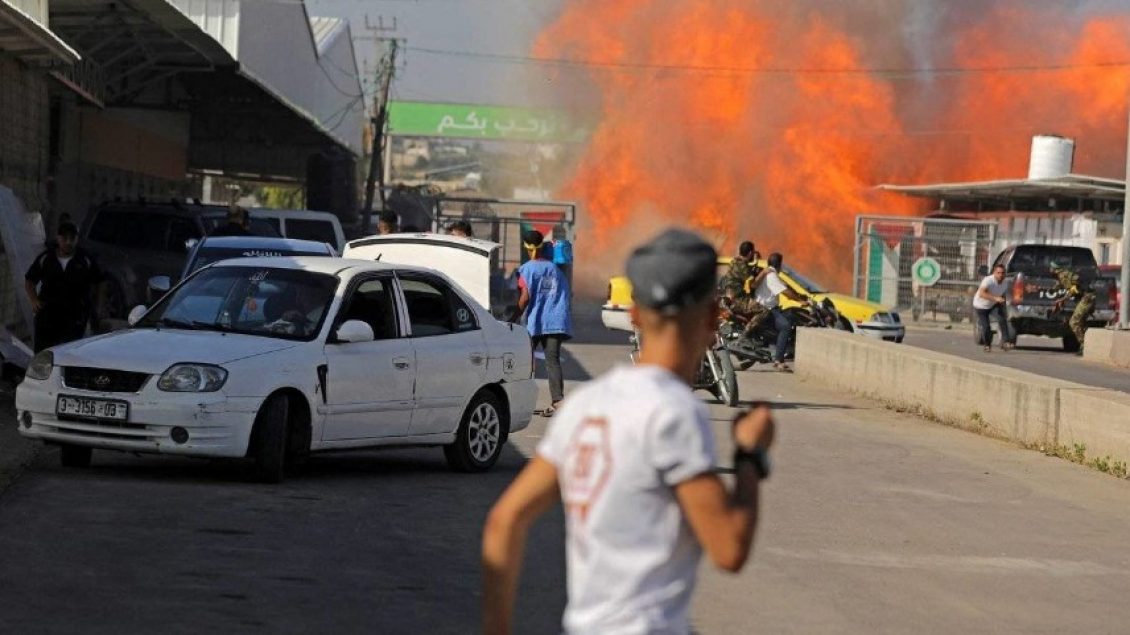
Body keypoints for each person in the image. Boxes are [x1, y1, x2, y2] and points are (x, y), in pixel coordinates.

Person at [482, 229, 775, 635]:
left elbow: (504, 521)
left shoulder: (584, 407)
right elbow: (728, 549)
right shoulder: (675, 413)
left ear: (635, 314)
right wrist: (750, 455)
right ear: (711, 318)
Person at [510, 229, 572, 415]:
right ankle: (558, 401)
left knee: (525, 361)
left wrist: (512, 318)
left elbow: (524, 298)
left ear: (527, 248)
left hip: (536, 322)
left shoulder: (526, 269)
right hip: (556, 320)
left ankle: (520, 403)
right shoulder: (555, 269)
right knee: (552, 361)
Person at [25, 222, 104, 352]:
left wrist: (98, 306)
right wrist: (34, 300)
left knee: (70, 352)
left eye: (72, 238)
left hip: (75, 315)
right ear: (58, 238)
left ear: (76, 239)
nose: (68, 242)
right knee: (44, 352)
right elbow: (29, 280)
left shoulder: (85, 259)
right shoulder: (46, 258)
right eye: (64, 238)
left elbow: (100, 281)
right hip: (47, 314)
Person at [754, 252, 808, 372]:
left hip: (768, 308)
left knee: (789, 315)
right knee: (785, 327)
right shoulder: (771, 275)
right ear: (779, 264)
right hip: (766, 309)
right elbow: (784, 292)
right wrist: (800, 301)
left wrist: (799, 295)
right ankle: (779, 360)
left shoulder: (770, 274)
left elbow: (785, 287)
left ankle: (777, 346)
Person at [721, 241, 769, 334]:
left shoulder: (734, 261)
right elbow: (753, 284)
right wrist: (764, 272)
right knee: (764, 311)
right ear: (750, 253)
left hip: (731, 297)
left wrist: (755, 262)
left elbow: (749, 270)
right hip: (737, 300)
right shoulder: (743, 266)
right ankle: (746, 334)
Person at [1050, 260, 1096, 355]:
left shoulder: (1064, 275)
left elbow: (1074, 288)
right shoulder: (1061, 276)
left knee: (1074, 322)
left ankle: (1084, 346)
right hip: (1086, 297)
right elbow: (1056, 288)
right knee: (1081, 323)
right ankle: (1086, 346)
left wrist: (1063, 299)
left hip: (1087, 298)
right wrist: (1038, 288)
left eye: (1050, 268)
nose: (1049, 270)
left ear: (1054, 269)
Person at [973, 264, 1013, 352]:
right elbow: (982, 294)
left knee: (1002, 319)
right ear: (994, 273)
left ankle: (1005, 342)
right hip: (981, 306)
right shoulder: (988, 281)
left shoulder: (1005, 283)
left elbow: (1002, 294)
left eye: (1002, 273)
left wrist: (1003, 304)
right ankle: (987, 345)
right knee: (987, 327)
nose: (1000, 275)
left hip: (993, 304)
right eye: (998, 273)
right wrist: (995, 298)